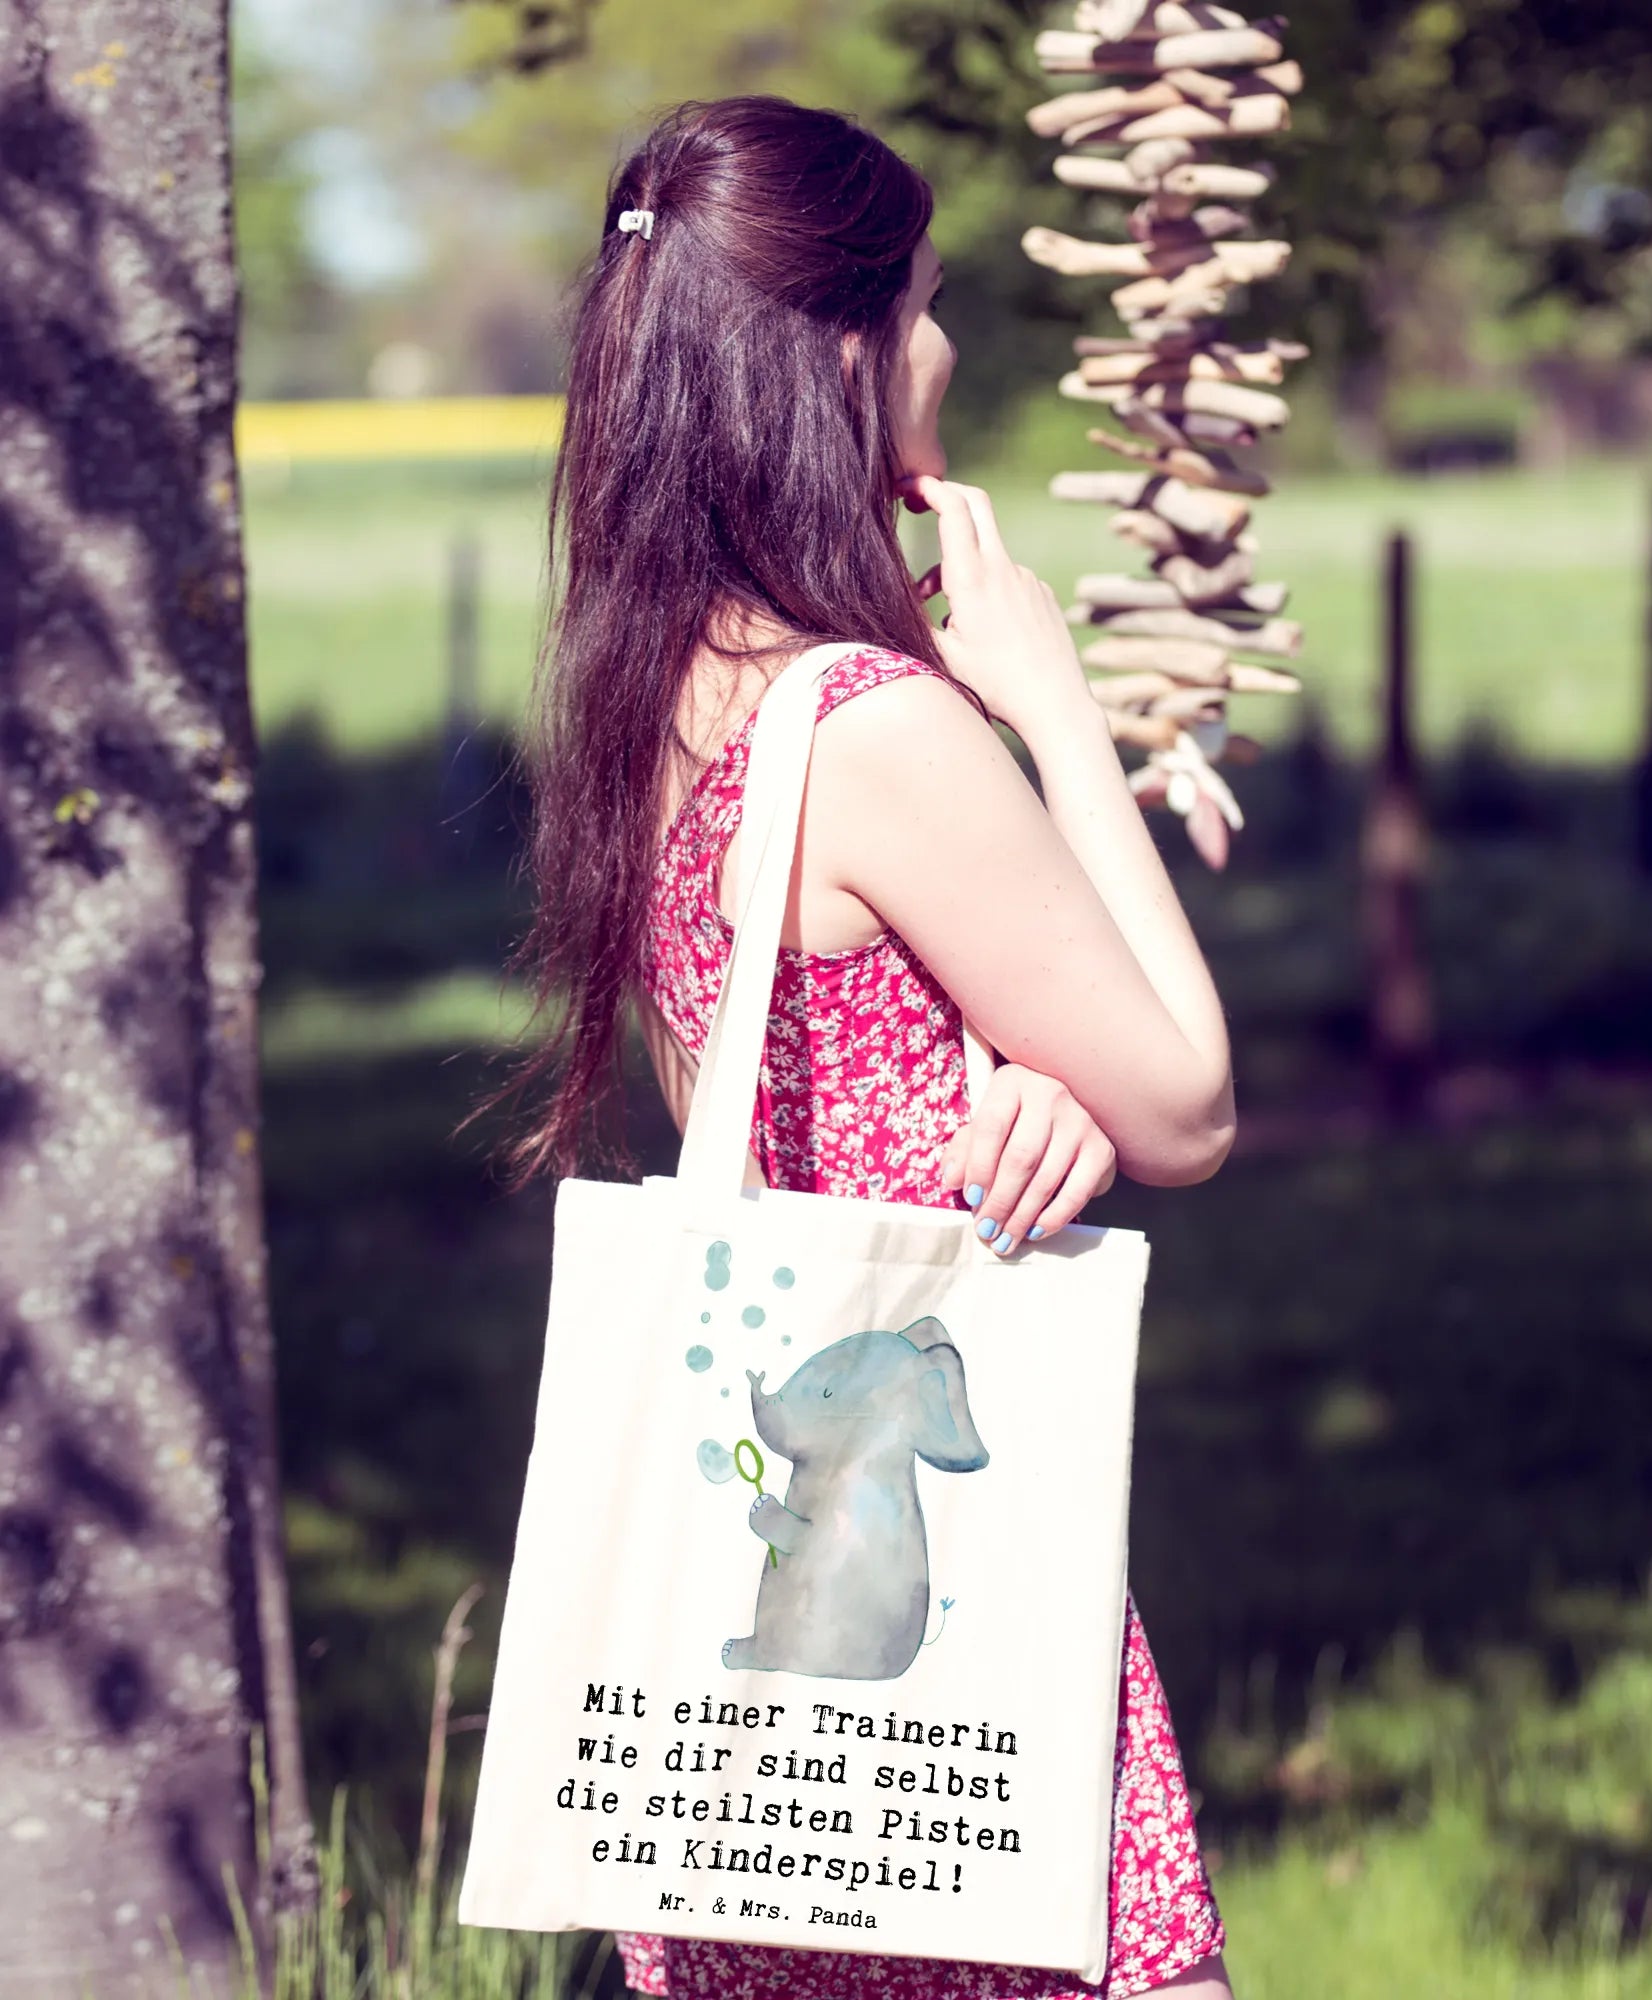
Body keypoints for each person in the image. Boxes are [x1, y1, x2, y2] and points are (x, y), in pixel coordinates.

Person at [501, 94, 1239, 2000]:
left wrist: (1014, 1074)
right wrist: (1056, 714)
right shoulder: (878, 729)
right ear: (839, 349)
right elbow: (1187, 1101)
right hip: (945, 1685)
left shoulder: (657, 693)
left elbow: (770, 1085)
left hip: (759, 1748)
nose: (946, 348)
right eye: (922, 303)